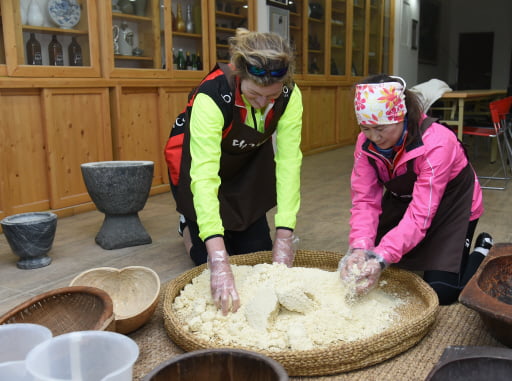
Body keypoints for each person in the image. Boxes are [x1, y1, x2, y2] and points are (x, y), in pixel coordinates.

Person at [164, 28, 303, 314]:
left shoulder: (290, 96)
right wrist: (217, 258)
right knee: (207, 258)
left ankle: (225, 230)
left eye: (271, 96)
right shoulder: (212, 95)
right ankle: (186, 225)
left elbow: (289, 163)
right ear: (240, 76)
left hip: (246, 166)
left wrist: (285, 235)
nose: (263, 103)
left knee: (255, 256)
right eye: (254, 94)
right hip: (199, 166)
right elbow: (204, 176)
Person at [338, 74, 493, 305]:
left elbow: (420, 215)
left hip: (451, 206)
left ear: (402, 117)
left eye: (380, 128)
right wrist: (360, 247)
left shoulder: (437, 143)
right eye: (365, 128)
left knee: (442, 292)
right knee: (373, 261)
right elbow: (365, 201)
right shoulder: (366, 143)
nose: (373, 137)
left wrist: (382, 257)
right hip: (406, 200)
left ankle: (481, 250)